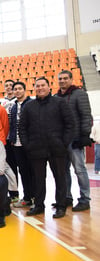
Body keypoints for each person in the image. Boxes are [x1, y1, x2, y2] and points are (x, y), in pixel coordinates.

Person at [19, 77, 75, 218]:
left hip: (57, 149)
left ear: (49, 87)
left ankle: (61, 206)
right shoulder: (29, 106)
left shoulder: (59, 103)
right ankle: (38, 205)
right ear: (35, 88)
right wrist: (27, 145)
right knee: (38, 179)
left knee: (60, 178)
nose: (40, 88)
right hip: (36, 149)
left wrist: (64, 143)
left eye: (43, 85)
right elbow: (22, 128)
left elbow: (70, 124)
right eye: (37, 86)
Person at [56, 70, 92, 211]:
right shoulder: (57, 97)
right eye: (60, 79)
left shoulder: (80, 94)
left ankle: (85, 199)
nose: (63, 81)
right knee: (63, 171)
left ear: (71, 79)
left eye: (65, 78)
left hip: (76, 139)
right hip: (61, 141)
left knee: (79, 170)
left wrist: (84, 135)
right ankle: (66, 197)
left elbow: (86, 116)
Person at [9, 82, 34, 208]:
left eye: (19, 89)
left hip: (29, 143)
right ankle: (27, 197)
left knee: (33, 171)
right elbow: (13, 126)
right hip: (17, 144)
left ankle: (35, 197)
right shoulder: (13, 107)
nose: (17, 91)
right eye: (15, 89)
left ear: (25, 90)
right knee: (23, 171)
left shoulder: (31, 104)